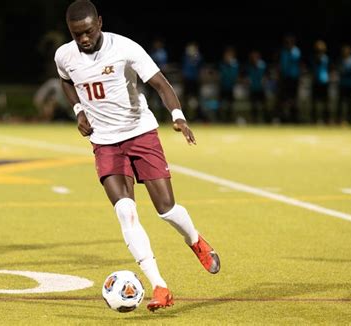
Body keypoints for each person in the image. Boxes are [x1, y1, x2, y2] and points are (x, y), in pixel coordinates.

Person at [55, 0, 220, 312]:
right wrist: (78, 109)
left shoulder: (126, 48)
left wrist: (178, 115)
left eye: (89, 31)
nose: (84, 39)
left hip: (140, 134)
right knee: (125, 211)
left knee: (166, 208)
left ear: (99, 23)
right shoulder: (64, 55)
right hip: (104, 142)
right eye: (78, 35)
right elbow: (65, 79)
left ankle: (195, 240)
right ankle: (160, 285)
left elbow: (160, 83)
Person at [276, 34, 301, 123]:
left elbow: (296, 63)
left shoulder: (296, 51)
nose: (288, 44)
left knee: (293, 99)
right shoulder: (283, 52)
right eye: (286, 42)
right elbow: (281, 65)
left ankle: (294, 117)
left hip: (293, 79)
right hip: (284, 78)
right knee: (283, 99)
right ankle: (283, 118)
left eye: (290, 42)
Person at [337, 44, 351, 125]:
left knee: (350, 104)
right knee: (341, 104)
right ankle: (339, 120)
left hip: (350, 85)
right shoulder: (341, 60)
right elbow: (339, 70)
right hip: (342, 85)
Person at [246, 50, 269, 123]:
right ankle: (254, 120)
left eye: (256, 56)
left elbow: (267, 75)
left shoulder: (263, 65)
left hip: (261, 89)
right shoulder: (249, 66)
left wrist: (265, 79)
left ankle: (266, 120)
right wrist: (247, 81)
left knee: (264, 106)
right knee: (253, 106)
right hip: (253, 89)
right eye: (253, 57)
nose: (254, 58)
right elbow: (245, 76)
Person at [310, 40, 330, 124]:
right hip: (315, 81)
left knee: (325, 102)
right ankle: (314, 119)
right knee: (314, 102)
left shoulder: (325, 58)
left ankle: (326, 119)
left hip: (324, 81)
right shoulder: (313, 57)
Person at [218, 46, 239, 123]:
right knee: (221, 104)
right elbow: (221, 75)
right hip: (223, 87)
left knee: (230, 105)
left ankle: (229, 119)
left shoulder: (235, 64)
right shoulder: (222, 64)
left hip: (230, 87)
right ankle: (220, 119)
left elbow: (234, 76)